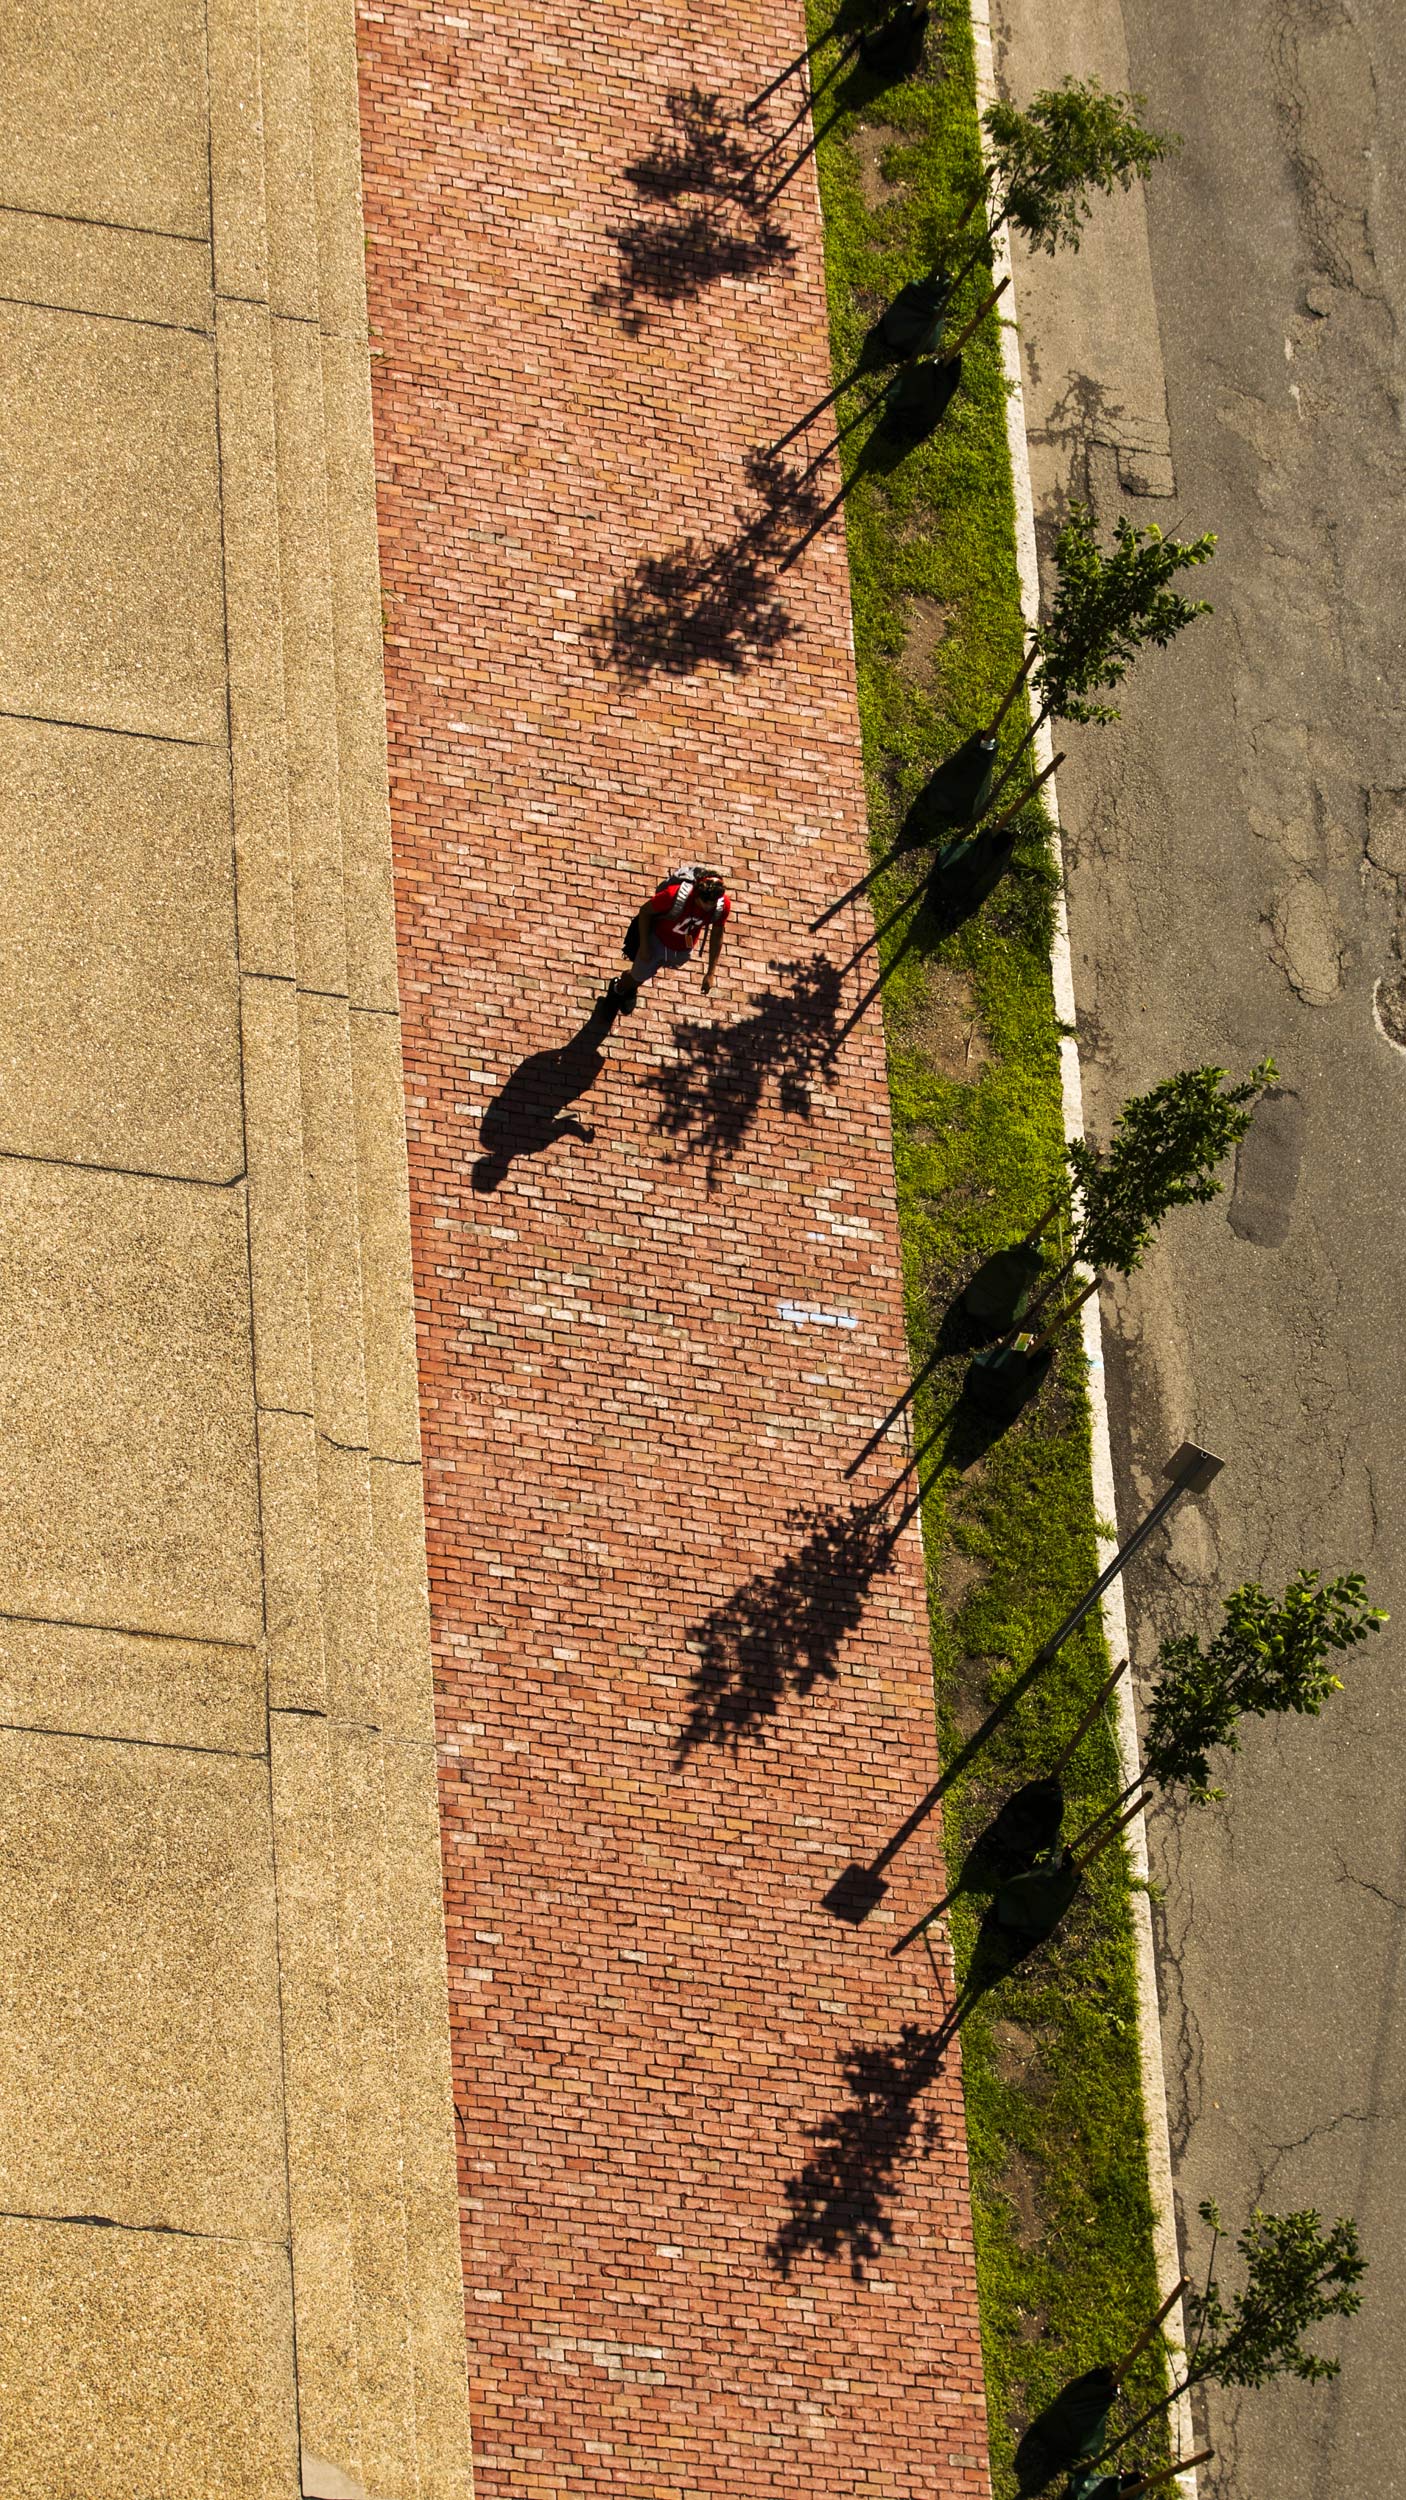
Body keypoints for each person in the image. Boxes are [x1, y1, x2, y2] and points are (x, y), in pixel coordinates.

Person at [598, 864, 732, 1021]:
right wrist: (645, 946)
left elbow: (717, 935)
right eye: (705, 903)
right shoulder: (672, 895)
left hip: (681, 950)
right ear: (696, 894)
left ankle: (631, 986)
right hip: (657, 942)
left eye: (713, 903)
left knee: (643, 974)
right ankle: (618, 989)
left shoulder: (721, 906)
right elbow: (645, 912)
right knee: (637, 976)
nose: (709, 907)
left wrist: (711, 973)